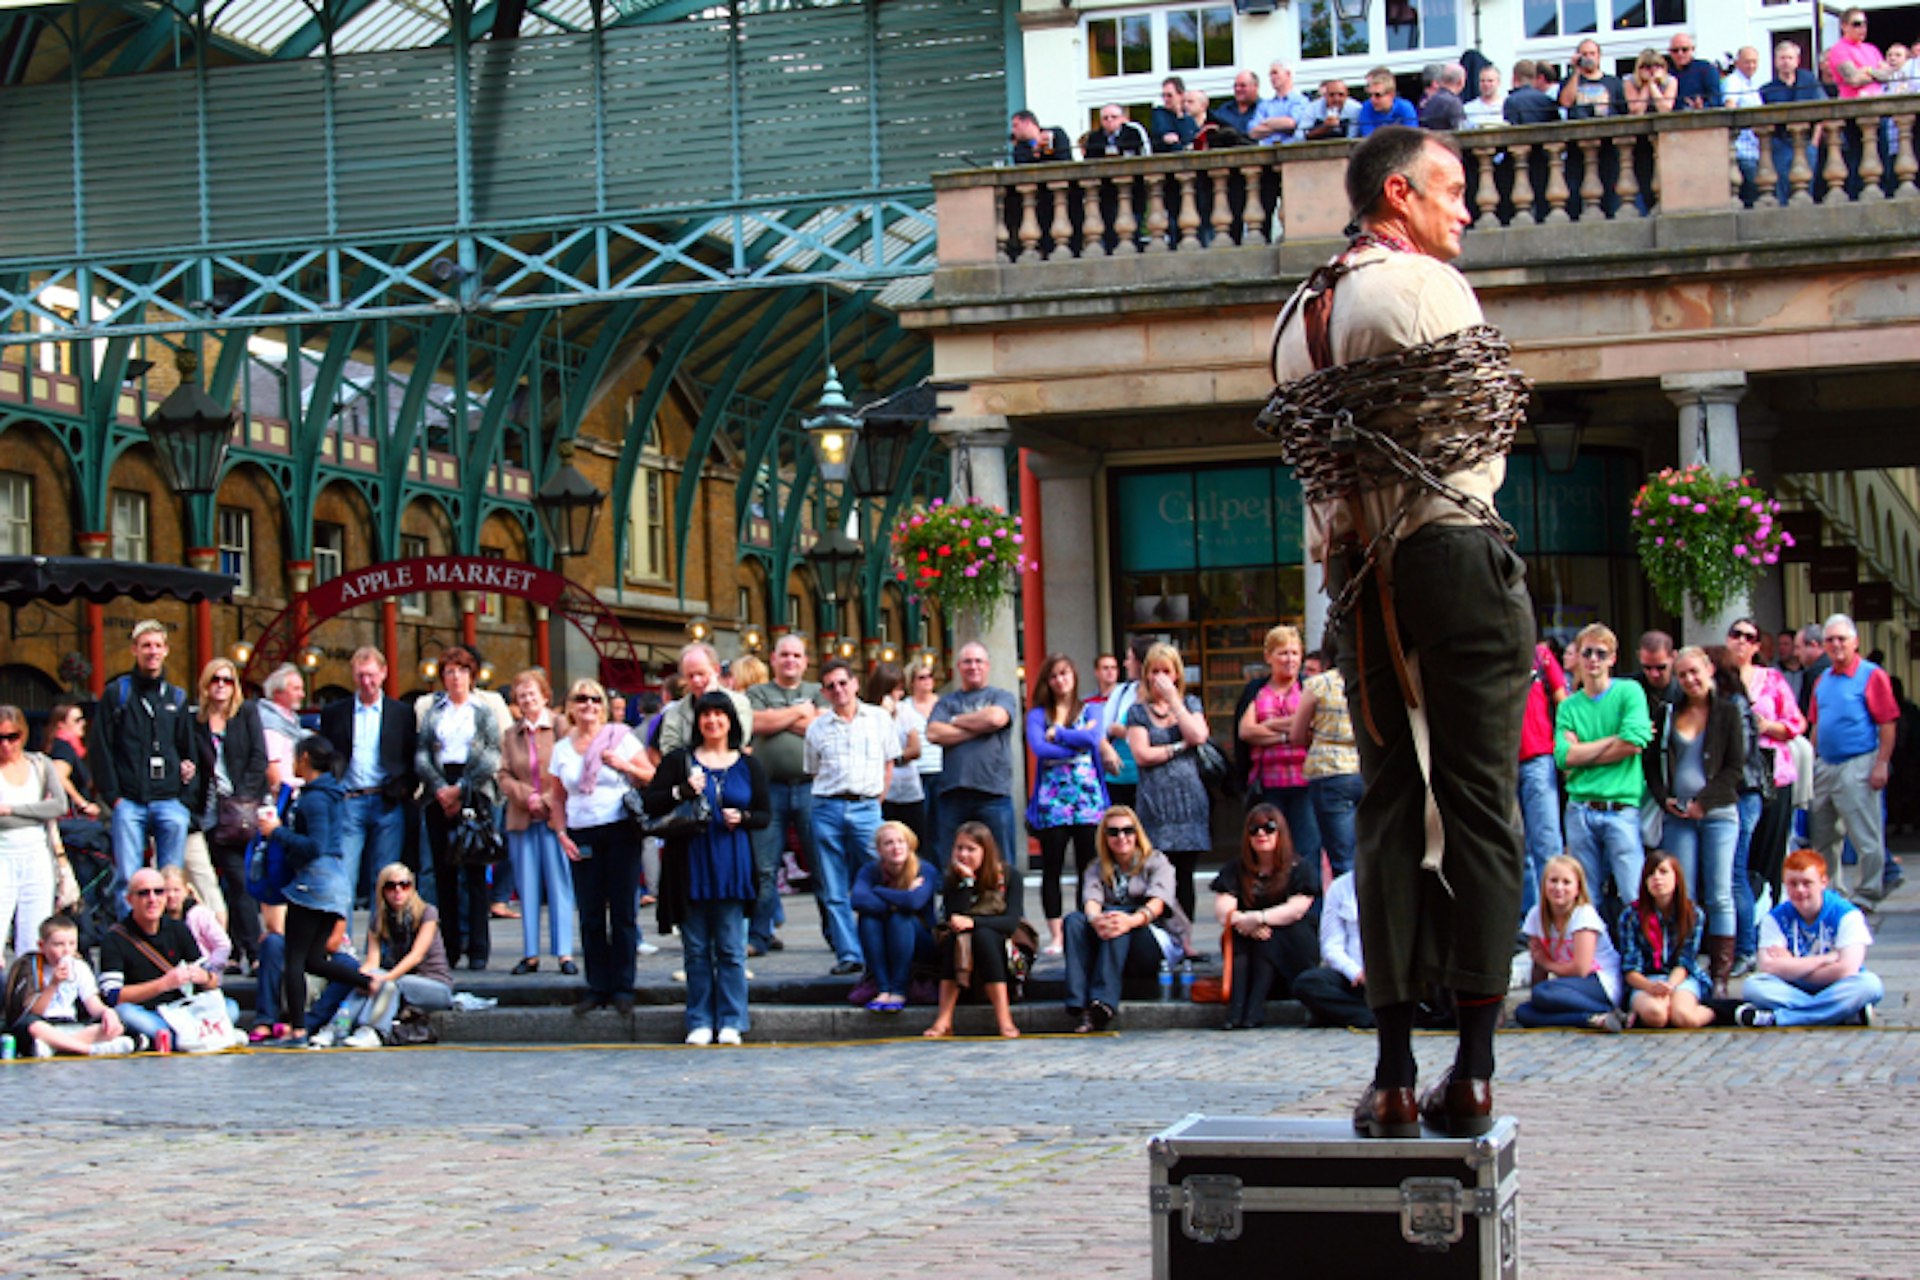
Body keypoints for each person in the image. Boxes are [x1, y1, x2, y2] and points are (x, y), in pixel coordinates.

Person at [1263, 126, 1533, 1141]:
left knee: (1385, 804)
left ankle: (1388, 1072)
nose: (1465, 209)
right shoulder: (1421, 289)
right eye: (1449, 189)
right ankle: (1471, 1067)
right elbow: (1489, 421)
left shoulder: (1300, 313)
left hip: (1354, 568)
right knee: (1478, 803)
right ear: (1395, 194)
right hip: (1450, 550)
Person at [645, 691, 768, 1046]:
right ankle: (699, 1018)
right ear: (697, 721)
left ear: (731, 721)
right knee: (695, 949)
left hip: (732, 862)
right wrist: (681, 791)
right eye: (706, 715)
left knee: (730, 949)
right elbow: (651, 802)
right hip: (689, 863)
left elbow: (764, 815)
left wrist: (742, 818)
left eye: (719, 715)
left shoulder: (748, 765)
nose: (712, 721)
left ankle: (732, 1018)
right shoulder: (679, 760)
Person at [254, 735, 376, 1046]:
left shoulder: (316, 798)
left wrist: (277, 832)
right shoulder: (329, 794)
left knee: (294, 957)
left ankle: (297, 1029)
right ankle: (370, 983)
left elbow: (315, 845)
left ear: (305, 758)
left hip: (313, 882)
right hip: (333, 881)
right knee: (313, 959)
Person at [1645, 646, 1745, 998]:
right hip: (1678, 816)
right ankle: (1682, 964)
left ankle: (1720, 975)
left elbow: (1735, 767)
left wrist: (1705, 802)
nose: (1689, 680)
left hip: (1718, 813)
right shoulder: (1668, 712)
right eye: (1683, 674)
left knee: (1719, 892)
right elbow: (1651, 762)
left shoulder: (1728, 713)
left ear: (1709, 670)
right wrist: (1664, 798)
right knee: (1680, 895)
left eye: (1695, 672)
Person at [547, 679, 650, 1015]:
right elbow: (558, 796)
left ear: (603, 705)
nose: (588, 705)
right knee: (591, 914)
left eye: (595, 699)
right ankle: (596, 986)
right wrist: (561, 833)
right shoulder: (562, 749)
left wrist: (625, 766)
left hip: (620, 829)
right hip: (582, 833)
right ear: (570, 706)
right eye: (581, 699)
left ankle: (623, 986)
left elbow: (651, 775)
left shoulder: (619, 737)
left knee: (622, 912)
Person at [90, 619, 197, 904]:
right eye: (146, 645)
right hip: (129, 800)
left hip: (170, 800)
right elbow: (100, 746)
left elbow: (189, 748)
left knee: (171, 880)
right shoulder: (118, 693)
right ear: (134, 650)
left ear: (166, 651)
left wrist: (186, 797)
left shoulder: (176, 696)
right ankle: (129, 943)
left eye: (158, 645)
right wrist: (113, 797)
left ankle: (166, 938)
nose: (152, 651)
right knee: (129, 878)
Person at [804, 657, 897, 976]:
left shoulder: (880, 719)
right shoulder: (816, 728)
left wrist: (875, 802)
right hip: (826, 807)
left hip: (867, 806)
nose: (839, 690)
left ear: (855, 684)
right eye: (831, 687)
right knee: (832, 886)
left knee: (882, 875)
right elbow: (813, 770)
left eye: (843, 683)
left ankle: (884, 945)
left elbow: (889, 764)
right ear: (824, 693)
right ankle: (849, 953)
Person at [1060, 805, 1188, 1035]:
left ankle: (1104, 1003)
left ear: (1137, 833)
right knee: (1074, 921)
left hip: (1152, 936)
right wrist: (1095, 918)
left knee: (1119, 920)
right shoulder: (1096, 867)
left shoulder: (1158, 862)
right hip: (1113, 934)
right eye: (1113, 832)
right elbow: (1091, 898)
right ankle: (1078, 1002)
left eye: (1128, 830)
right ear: (1104, 837)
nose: (1122, 837)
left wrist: (1129, 921)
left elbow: (1157, 904)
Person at [1725, 617, 1805, 974]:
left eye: (1749, 637)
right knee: (1740, 861)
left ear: (1758, 646)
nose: (1741, 641)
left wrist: (1766, 727)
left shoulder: (1772, 680)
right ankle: (1745, 933)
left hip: (1773, 774)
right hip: (1735, 779)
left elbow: (1796, 723)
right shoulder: (1720, 679)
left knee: (1770, 858)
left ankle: (1771, 933)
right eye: (1736, 635)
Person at [1556, 623, 1654, 915]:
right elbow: (1563, 757)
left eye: (1601, 653)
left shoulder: (1629, 691)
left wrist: (1582, 752)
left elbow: (1635, 743)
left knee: (1632, 893)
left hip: (1621, 808)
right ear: (1578, 657)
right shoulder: (1569, 706)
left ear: (1613, 658)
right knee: (1586, 898)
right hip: (1580, 809)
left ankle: (1639, 959)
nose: (1593, 659)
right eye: (1587, 652)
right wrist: (1614, 738)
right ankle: (1594, 959)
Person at [415, 645, 501, 971]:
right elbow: (422, 753)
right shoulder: (434, 711)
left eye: (462, 671)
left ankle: (478, 947)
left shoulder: (483, 711)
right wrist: (440, 788)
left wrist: (462, 789)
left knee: (475, 872)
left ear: (472, 676)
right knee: (444, 873)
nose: (456, 678)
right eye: (450, 672)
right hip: (439, 788)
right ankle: (449, 946)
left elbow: (493, 754)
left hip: (474, 788)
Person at [1807, 613, 1899, 904]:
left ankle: (1869, 892)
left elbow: (1887, 722)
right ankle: (1831, 892)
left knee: (1864, 835)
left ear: (1855, 642)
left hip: (1858, 761)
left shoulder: (1871, 675)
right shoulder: (1822, 680)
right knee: (1822, 835)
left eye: (1841, 639)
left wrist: (1881, 762)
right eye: (1830, 640)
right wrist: (1811, 762)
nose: (1836, 645)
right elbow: (1816, 724)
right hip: (1826, 764)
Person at [1737, 847, 1883, 1027]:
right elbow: (1768, 966)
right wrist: (1826, 959)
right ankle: (1841, 1014)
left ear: (1823, 882)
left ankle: (1780, 1019)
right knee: (1753, 986)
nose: (1800, 890)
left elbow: (1847, 969)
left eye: (1807, 883)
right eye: (1792, 883)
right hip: (1792, 988)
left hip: (1836, 985)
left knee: (1869, 984)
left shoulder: (1847, 914)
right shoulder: (1774, 917)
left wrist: (1793, 967)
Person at [318, 646, 417, 905]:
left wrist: (404, 788)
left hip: (387, 800)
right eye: (361, 675)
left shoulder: (402, 713)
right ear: (353, 675)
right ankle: (344, 941)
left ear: (383, 673)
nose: (367, 681)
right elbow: (326, 756)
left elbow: (411, 756)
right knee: (344, 874)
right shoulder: (335, 713)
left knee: (385, 879)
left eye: (372, 674)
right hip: (350, 799)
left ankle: (381, 943)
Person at [747, 634, 823, 958]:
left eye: (796, 655)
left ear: (805, 661)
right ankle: (759, 936)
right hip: (768, 790)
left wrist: (780, 717)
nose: (790, 660)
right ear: (773, 659)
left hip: (811, 787)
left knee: (822, 866)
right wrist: (799, 713)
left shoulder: (819, 691)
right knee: (764, 868)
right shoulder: (757, 692)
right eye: (784, 655)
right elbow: (756, 722)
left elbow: (821, 727)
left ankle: (838, 939)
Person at [1026, 653, 1108, 956]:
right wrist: (1075, 738)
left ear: (1074, 677)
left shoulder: (1092, 709)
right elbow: (1039, 747)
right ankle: (1057, 935)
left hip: (1087, 798)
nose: (1060, 681)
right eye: (1054, 676)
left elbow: (1093, 739)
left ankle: (1082, 926)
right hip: (1052, 802)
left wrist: (1060, 734)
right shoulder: (1037, 715)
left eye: (1065, 674)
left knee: (1089, 867)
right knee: (1052, 867)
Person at [1126, 642, 1212, 927]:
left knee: (1185, 874)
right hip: (1155, 803)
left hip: (1188, 803)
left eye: (1166, 671)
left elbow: (1198, 734)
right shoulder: (1138, 712)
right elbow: (1142, 754)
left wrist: (1175, 701)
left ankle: (1186, 938)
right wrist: (1178, 747)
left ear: (1177, 674)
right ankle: (1162, 936)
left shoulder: (1190, 704)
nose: (1160, 677)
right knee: (1159, 873)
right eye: (1154, 671)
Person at [1213, 804, 1318, 1031]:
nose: (1261, 834)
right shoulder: (1236, 869)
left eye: (1268, 828)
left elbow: (1296, 909)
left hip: (1292, 950)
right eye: (1254, 829)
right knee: (1247, 937)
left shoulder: (1300, 868)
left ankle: (1251, 1007)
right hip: (1250, 945)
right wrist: (1245, 923)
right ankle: (1238, 1006)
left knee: (1270, 935)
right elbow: (1223, 910)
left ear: (1280, 832)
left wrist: (1259, 918)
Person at [498, 668, 575, 977]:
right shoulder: (510, 735)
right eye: (521, 696)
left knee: (560, 883)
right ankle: (530, 953)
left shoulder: (560, 727)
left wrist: (546, 797)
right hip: (522, 816)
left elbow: (569, 765)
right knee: (526, 886)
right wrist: (526, 796)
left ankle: (564, 953)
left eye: (532, 694)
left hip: (555, 814)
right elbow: (502, 774)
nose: (527, 700)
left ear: (545, 696)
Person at [922, 821, 1026, 1039]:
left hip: (1002, 947)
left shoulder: (1009, 876)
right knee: (957, 937)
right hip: (961, 949)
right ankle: (944, 1018)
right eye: (959, 848)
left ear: (985, 851)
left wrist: (975, 923)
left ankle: (1004, 1018)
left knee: (983, 936)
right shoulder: (954, 878)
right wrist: (966, 882)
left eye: (971, 849)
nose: (963, 855)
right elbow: (955, 917)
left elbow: (1010, 922)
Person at [98, 865, 221, 1045]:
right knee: (124, 1012)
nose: (152, 899)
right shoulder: (114, 938)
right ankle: (193, 1035)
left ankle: (175, 1036)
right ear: (129, 899)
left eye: (158, 892)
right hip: (145, 1011)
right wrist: (163, 984)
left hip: (180, 1010)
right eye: (144, 893)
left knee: (230, 1006)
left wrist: (205, 977)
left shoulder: (178, 928)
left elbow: (212, 980)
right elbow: (112, 995)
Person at [926, 642, 1019, 875]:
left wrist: (955, 721)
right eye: (967, 661)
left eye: (978, 661)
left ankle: (1008, 910)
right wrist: (979, 726)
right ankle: (955, 910)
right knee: (953, 865)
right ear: (958, 666)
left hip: (993, 794)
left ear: (987, 666)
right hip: (952, 794)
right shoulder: (946, 702)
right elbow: (933, 733)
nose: (973, 666)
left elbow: (996, 719)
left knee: (1002, 863)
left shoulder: (1002, 696)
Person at [185, 657, 263, 930]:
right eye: (214, 679)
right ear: (205, 684)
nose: (220, 685)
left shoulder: (247, 713)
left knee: (239, 878)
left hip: (238, 810)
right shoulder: (195, 720)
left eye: (227, 680)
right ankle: (228, 946)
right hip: (206, 810)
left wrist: (240, 799)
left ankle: (250, 948)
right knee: (210, 881)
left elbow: (258, 758)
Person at [1237, 625, 1320, 878]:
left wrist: (1270, 725)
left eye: (1295, 653)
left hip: (1305, 783)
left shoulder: (1310, 688)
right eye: (1283, 653)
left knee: (1308, 848)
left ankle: (1310, 909)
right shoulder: (1256, 691)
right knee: (1270, 850)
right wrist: (1291, 731)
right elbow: (1246, 731)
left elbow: (1314, 730)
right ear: (1268, 656)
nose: (1290, 659)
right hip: (1268, 785)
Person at [340, 862, 454, 1045]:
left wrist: (386, 978)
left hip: (435, 985)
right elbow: (372, 961)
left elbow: (417, 955)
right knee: (367, 982)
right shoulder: (379, 919)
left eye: (404, 885)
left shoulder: (427, 913)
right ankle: (337, 1026)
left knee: (390, 983)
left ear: (412, 888)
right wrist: (363, 978)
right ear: (382, 891)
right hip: (401, 982)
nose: (398, 891)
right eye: (391, 886)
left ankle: (373, 1030)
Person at [1513, 855, 1624, 1032]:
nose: (1559, 888)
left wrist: (1547, 966)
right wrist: (1539, 999)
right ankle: (1592, 1019)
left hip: (1599, 981)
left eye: (1566, 882)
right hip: (1567, 985)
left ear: (1578, 888)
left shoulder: (1584, 915)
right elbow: (1538, 967)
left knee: (1543, 993)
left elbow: (1581, 968)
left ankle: (1608, 1009)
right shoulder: (1536, 915)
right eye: (1553, 881)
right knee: (1524, 1012)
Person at [4, 915, 133, 1057]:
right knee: (33, 1027)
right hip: (45, 1024)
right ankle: (88, 1049)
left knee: (117, 1026)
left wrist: (107, 1013)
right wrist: (53, 984)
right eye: (58, 945)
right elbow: (35, 1012)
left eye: (72, 944)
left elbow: (93, 1004)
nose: (66, 950)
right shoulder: (32, 967)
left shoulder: (80, 967)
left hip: (70, 1024)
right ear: (42, 946)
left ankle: (55, 1047)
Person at [1616, 849, 1712, 1030]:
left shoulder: (1693, 914)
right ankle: (1640, 1012)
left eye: (1663, 872)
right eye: (1651, 874)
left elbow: (1686, 961)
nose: (1657, 878)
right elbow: (1630, 969)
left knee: (1684, 1018)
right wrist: (1650, 986)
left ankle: (1716, 1012)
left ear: (1676, 878)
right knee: (1657, 1016)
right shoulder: (1631, 916)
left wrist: (1670, 986)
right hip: (1646, 979)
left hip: (1681, 978)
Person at [0, 704, 67, 958]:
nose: (6, 745)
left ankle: (30, 993)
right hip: (3, 852)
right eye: (0, 738)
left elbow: (58, 805)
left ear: (23, 734)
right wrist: (35, 810)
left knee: (34, 935)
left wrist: (11, 810)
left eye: (12, 737)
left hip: (37, 853)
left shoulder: (40, 764)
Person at [851, 820, 936, 1013]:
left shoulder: (925, 869)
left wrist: (879, 890)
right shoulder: (870, 870)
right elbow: (858, 900)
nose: (896, 847)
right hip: (884, 937)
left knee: (901, 918)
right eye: (888, 843)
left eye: (901, 841)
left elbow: (914, 902)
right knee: (868, 919)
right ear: (879, 850)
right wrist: (903, 897)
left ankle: (898, 989)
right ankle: (883, 988)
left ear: (909, 845)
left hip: (921, 940)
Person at [1294, 641, 1361, 881]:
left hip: (1329, 770)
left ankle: (1350, 914)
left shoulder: (1318, 684)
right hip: (1364, 766)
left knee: (1342, 856)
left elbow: (1296, 735)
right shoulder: (1368, 680)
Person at [1517, 639, 1570, 924]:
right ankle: (1531, 920)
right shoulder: (1486, 655)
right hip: (1502, 761)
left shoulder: (1540, 655)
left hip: (1539, 754)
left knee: (1547, 841)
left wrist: (1565, 747)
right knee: (1518, 847)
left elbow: (1564, 703)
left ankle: (1556, 918)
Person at [1290, 869, 1374, 1029]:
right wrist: (1355, 972)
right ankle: (1366, 1016)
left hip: (1397, 979)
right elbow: (1331, 946)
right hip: (1354, 977)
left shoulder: (1405, 886)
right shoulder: (1341, 887)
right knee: (1308, 983)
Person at [656, 642, 754, 760]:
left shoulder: (739, 702)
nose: (696, 680)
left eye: (701, 674)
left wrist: (711, 698)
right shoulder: (674, 713)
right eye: (690, 676)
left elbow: (739, 740)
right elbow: (669, 752)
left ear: (716, 670)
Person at [1761, 41, 1829, 206]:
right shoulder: (1767, 90)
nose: (1786, 62)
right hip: (1781, 143)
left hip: (1807, 141)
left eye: (1790, 58)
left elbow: (1823, 110)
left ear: (1797, 60)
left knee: (1808, 184)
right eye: (1782, 58)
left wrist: (1814, 142)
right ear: (1776, 61)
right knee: (1783, 185)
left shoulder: (1809, 81)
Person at [869, 662, 926, 846]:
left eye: (901, 690)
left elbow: (915, 748)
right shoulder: (869, 714)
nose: (898, 695)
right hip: (882, 790)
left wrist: (893, 758)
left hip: (908, 789)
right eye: (894, 690)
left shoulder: (905, 710)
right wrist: (884, 716)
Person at [1099, 638, 1148, 810]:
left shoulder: (1161, 695)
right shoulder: (1122, 692)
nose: (1126, 664)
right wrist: (1106, 749)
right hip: (1118, 777)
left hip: (1147, 778)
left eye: (1129, 659)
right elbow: (1102, 730)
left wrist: (1127, 733)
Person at [159, 863, 231, 979]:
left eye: (176, 890)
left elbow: (223, 944)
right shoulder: (157, 919)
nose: (171, 895)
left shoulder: (199, 914)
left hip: (201, 976)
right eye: (166, 891)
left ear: (187, 890)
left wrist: (210, 969)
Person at [1251, 60, 1310, 145]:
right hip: (1267, 153)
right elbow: (1253, 132)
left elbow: (1292, 123)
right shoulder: (1264, 105)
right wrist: (1280, 126)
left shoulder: (1301, 101)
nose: (1271, 78)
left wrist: (1266, 122)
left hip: (1292, 151)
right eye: (1270, 75)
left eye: (1275, 73)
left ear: (1288, 74)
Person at [1354, 67, 1417, 137]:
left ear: (1391, 95)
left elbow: (1411, 137)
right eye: (1370, 95)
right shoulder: (1367, 107)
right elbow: (1370, 139)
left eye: (1377, 95)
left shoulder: (1405, 108)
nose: (1372, 99)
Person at [1666, 32, 1721, 109]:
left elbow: (1716, 99)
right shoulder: (1666, 73)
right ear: (1669, 52)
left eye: (1684, 50)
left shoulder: (1706, 69)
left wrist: (1702, 107)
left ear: (1692, 49)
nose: (1680, 53)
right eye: (1675, 50)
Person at [1503, 59, 1561, 124]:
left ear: (1515, 77)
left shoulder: (1511, 101)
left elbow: (1511, 130)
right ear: (1534, 77)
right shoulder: (1547, 100)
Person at [1082, 103, 1149, 158]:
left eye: (1114, 117)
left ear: (1121, 118)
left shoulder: (1132, 133)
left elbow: (1140, 155)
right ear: (1101, 121)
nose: (1109, 120)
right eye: (1105, 118)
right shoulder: (1094, 138)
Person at [1624, 48, 1678, 115]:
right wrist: (1646, 84)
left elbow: (1665, 110)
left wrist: (1653, 85)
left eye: (1657, 66)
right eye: (1648, 66)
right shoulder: (1629, 80)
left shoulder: (1671, 81)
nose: (1653, 70)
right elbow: (1637, 111)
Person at [1150, 76, 1196, 153]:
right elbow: (1168, 135)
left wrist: (1179, 114)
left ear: (1181, 95)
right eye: (1163, 95)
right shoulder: (1159, 114)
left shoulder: (1188, 118)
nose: (1165, 99)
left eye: (1169, 95)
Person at [1418, 63, 1466, 131]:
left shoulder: (1429, 101)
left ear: (1442, 80)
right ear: (1461, 81)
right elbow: (1460, 131)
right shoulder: (1453, 103)